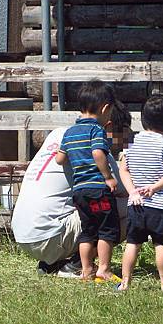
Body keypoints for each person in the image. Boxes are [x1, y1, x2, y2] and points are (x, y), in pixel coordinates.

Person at [11, 85, 163, 278]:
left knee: (89, 204)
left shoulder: (60, 133)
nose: (127, 140)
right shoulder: (97, 145)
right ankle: (77, 266)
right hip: (51, 235)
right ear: (108, 126)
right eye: (124, 133)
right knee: (131, 206)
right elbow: (125, 190)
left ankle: (55, 262)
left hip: (24, 233)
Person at [54, 79, 121, 281]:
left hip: (80, 192)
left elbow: (60, 159)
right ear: (105, 108)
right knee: (107, 230)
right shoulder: (97, 130)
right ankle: (104, 268)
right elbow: (98, 154)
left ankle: (86, 270)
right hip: (98, 189)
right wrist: (108, 177)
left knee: (87, 230)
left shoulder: (69, 132)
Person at [118, 94, 163, 291]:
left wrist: (132, 192)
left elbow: (124, 170)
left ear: (143, 119)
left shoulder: (131, 144)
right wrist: (154, 188)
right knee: (161, 244)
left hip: (136, 205)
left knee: (132, 243)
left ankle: (125, 283)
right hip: (161, 205)